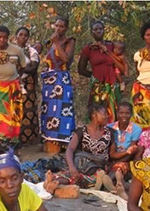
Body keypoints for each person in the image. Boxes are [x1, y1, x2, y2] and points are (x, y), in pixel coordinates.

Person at [0, 26, 27, 154]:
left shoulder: (17, 51)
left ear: (8, 38)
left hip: (13, 90)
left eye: (4, 37)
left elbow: (22, 67)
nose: (2, 39)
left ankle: (12, 150)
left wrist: (15, 77)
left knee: (13, 119)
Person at [56, 103, 116, 189]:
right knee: (73, 175)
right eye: (104, 114)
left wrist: (127, 152)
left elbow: (112, 154)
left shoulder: (110, 133)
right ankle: (55, 182)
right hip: (81, 165)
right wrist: (72, 167)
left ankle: (60, 182)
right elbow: (69, 150)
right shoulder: (82, 131)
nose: (107, 116)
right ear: (94, 115)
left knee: (99, 175)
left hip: (98, 167)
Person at [78, 21, 126, 124]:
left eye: (100, 29)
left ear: (104, 30)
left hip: (112, 84)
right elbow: (81, 69)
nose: (98, 31)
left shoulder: (112, 46)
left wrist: (107, 51)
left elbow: (121, 65)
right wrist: (94, 76)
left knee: (114, 111)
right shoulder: (88, 49)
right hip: (97, 86)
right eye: (95, 29)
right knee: (96, 112)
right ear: (91, 32)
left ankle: (112, 136)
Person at [41, 17, 76, 150]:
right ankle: (50, 138)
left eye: (61, 26)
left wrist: (56, 42)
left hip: (61, 79)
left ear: (66, 28)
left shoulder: (69, 41)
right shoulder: (50, 43)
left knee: (62, 109)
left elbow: (66, 59)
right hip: (50, 81)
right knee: (49, 109)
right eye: (56, 26)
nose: (58, 29)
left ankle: (62, 139)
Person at [15, 27, 40, 145]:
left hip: (27, 84)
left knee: (28, 110)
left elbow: (34, 67)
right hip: (13, 83)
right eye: (21, 35)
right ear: (16, 36)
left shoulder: (31, 51)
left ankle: (29, 139)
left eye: (25, 35)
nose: (23, 37)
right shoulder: (11, 50)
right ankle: (15, 138)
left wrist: (20, 68)